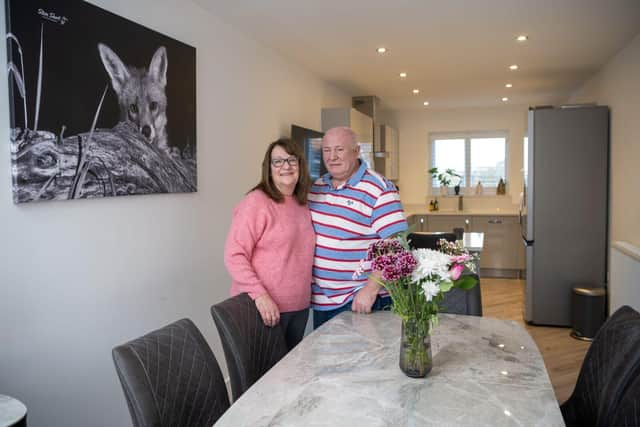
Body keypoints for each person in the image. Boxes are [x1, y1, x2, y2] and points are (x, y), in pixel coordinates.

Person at [308, 127, 408, 329]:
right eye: (327, 150)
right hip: (322, 301)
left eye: (339, 149)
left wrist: (371, 290)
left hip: (359, 300)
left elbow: (394, 246)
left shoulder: (379, 188)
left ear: (356, 151)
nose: (332, 157)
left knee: (361, 360)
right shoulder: (317, 187)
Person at [224, 138, 315, 350]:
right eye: (278, 161)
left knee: (290, 374)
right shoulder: (256, 202)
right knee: (266, 379)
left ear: (300, 165)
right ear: (268, 168)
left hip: (298, 306)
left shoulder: (302, 203)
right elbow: (234, 255)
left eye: (292, 160)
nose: (286, 166)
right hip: (263, 309)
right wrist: (260, 296)